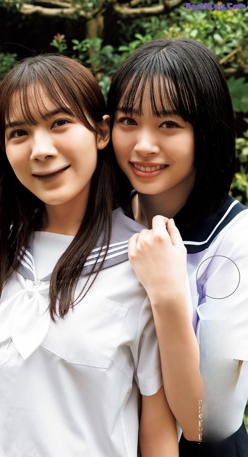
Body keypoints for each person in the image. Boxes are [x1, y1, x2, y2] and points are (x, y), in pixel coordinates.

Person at [0, 54, 178, 457]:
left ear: (101, 132)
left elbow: (157, 437)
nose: (40, 149)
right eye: (18, 132)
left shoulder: (143, 267)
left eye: (59, 123)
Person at [107, 38, 248, 456]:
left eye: (169, 125)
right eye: (128, 121)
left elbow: (213, 422)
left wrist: (168, 294)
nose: (143, 145)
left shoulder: (233, 240)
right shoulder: (90, 225)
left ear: (205, 133)